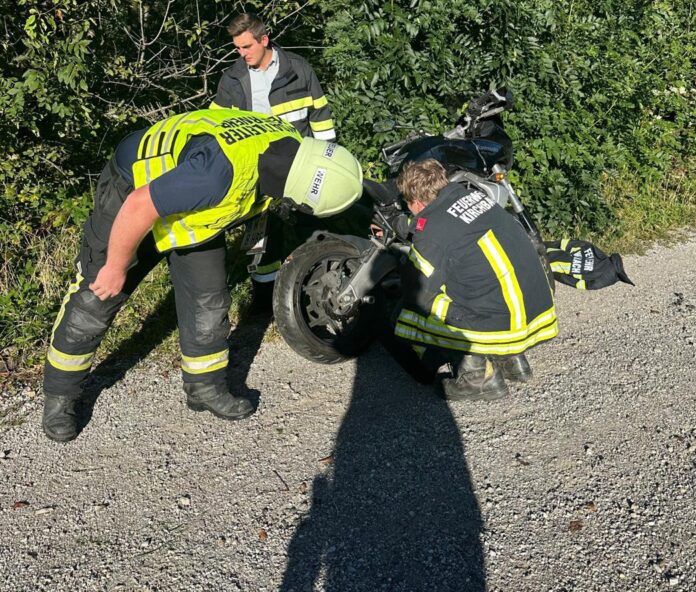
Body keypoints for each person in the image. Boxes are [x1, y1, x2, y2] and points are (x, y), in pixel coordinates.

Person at [42, 108, 363, 442]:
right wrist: (115, 267)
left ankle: (204, 386)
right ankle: (60, 397)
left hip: (192, 207)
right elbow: (140, 205)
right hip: (133, 191)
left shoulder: (290, 152)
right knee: (96, 300)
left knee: (208, 299)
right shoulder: (216, 174)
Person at [393, 159, 558, 401]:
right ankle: (513, 361)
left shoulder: (432, 230)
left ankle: (477, 375)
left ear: (416, 203)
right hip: (534, 311)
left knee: (412, 311)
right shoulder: (475, 196)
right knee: (474, 276)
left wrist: (404, 267)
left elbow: (417, 290)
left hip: (504, 323)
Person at [214, 13, 336, 289]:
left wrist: (326, 157)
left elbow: (320, 115)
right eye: (237, 48)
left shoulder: (298, 69)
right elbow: (218, 129)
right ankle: (264, 290)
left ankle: (314, 280)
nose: (242, 53)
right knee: (262, 234)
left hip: (300, 163)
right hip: (257, 168)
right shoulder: (232, 79)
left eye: (247, 47)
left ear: (264, 40)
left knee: (309, 225)